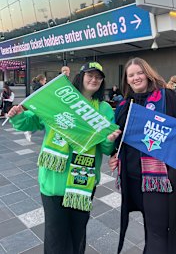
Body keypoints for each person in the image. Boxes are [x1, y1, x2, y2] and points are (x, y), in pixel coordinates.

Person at [8, 61, 121, 254]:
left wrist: (110, 140)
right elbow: (32, 121)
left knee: (78, 232)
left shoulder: (104, 109)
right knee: (55, 235)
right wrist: (17, 116)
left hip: (83, 180)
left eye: (98, 77)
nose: (94, 80)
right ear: (81, 77)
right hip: (54, 179)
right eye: (90, 75)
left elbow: (104, 146)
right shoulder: (59, 100)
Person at [108, 58, 176, 254]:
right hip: (133, 179)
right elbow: (120, 138)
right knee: (150, 226)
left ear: (148, 74)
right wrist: (114, 154)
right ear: (127, 79)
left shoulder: (168, 97)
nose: (136, 78)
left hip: (159, 180)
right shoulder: (124, 105)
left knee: (156, 229)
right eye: (131, 75)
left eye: (139, 73)